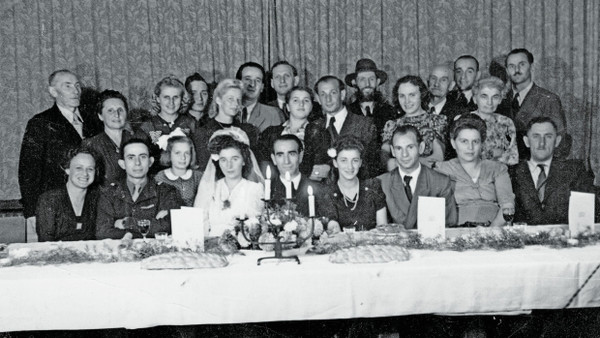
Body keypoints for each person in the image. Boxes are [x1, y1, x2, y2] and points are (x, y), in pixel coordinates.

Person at [19, 70, 95, 240]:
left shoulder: (92, 122)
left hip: (89, 207)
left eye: (77, 86)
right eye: (67, 86)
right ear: (53, 92)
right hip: (54, 210)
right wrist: (31, 212)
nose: (75, 91)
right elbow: (28, 171)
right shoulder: (40, 123)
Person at [509, 117, 598, 225]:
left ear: (557, 141)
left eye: (548, 136)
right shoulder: (513, 173)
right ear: (526, 141)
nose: (542, 143)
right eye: (536, 136)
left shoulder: (574, 171)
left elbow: (589, 212)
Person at [435, 115, 515, 227]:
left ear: (482, 144)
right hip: (457, 232)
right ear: (453, 143)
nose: (470, 147)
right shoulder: (442, 169)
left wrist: (490, 232)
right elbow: (435, 212)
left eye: (475, 142)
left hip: (494, 231)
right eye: (464, 141)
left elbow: (507, 206)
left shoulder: (497, 169)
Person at [96, 139, 182, 239]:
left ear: (150, 162)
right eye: (131, 157)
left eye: (143, 157)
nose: (137, 163)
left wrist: (128, 223)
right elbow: (102, 232)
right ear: (122, 164)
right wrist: (151, 226)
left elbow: (169, 227)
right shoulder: (109, 193)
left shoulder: (166, 191)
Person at [378, 125, 457, 228]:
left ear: (421, 148)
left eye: (410, 147)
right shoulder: (382, 182)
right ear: (392, 151)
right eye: (399, 148)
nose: (404, 154)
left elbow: (449, 225)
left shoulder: (440, 182)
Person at [497, 48, 569, 159]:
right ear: (507, 71)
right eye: (511, 66)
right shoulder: (499, 100)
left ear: (532, 67)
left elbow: (560, 141)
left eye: (522, 64)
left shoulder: (548, 99)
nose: (516, 70)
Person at [193, 128, 264, 237]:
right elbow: (200, 223)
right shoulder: (210, 188)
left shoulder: (255, 189)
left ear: (244, 160)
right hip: (212, 247)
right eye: (223, 160)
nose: (229, 166)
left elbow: (256, 226)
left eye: (235, 159)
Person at [312, 75, 380, 178]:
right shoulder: (313, 128)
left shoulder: (365, 124)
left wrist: (331, 169)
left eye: (333, 93)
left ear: (342, 94)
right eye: (323, 94)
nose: (328, 99)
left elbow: (371, 167)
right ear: (318, 99)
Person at [258, 86, 330, 178]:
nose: (301, 104)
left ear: (311, 106)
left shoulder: (320, 134)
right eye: (296, 100)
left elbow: (319, 169)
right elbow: (264, 164)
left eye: (306, 100)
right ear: (287, 106)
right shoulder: (270, 133)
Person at [320, 135, 387, 232]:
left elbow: (383, 228)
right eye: (344, 160)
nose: (350, 167)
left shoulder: (373, 186)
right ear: (335, 163)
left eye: (355, 160)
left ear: (360, 162)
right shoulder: (327, 193)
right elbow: (334, 232)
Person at [193, 79, 260, 170]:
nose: (236, 104)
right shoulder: (203, 132)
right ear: (218, 100)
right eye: (230, 99)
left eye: (238, 100)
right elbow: (204, 168)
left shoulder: (248, 131)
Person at [382, 75, 447, 169]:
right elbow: (385, 158)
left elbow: (438, 157)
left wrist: (401, 163)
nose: (407, 101)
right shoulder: (392, 125)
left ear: (422, 95)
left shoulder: (436, 121)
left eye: (412, 95)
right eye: (402, 96)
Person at [36, 148, 100, 242]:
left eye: (90, 169)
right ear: (67, 170)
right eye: (79, 168)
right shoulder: (49, 200)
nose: (85, 173)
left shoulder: (98, 199)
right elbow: (46, 242)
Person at [82, 90, 145, 185]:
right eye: (110, 110)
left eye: (120, 110)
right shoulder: (91, 145)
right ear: (100, 116)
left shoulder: (139, 139)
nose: (116, 114)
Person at [268, 134, 325, 217]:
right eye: (280, 155)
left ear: (300, 156)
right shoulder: (267, 190)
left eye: (291, 154)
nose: (286, 161)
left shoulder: (319, 189)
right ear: (274, 159)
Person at [470, 76, 519, 165]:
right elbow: (465, 157)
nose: (490, 102)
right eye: (484, 96)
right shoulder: (465, 121)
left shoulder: (506, 122)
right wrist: (494, 154)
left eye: (495, 97)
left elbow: (513, 158)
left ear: (500, 99)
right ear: (475, 99)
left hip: (500, 174)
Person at [427, 62, 468, 160]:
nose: (436, 84)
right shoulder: (416, 107)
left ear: (451, 85)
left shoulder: (460, 113)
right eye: (433, 78)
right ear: (428, 81)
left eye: (443, 80)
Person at [345, 58, 396, 135]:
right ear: (355, 83)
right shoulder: (347, 113)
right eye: (362, 79)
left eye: (371, 79)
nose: (367, 84)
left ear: (377, 82)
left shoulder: (390, 112)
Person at [236, 62, 285, 132]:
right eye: (247, 79)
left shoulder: (273, 114)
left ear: (262, 87)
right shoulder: (225, 110)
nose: (252, 84)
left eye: (257, 80)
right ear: (238, 83)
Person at [154, 135, 202, 207]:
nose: (183, 157)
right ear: (169, 154)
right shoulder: (160, 177)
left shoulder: (198, 176)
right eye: (177, 153)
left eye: (187, 153)